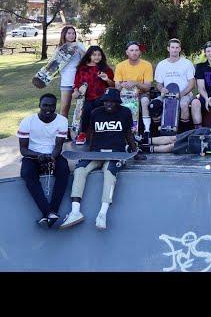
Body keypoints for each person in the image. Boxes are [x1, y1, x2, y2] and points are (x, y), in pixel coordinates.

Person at [59, 88, 144, 231]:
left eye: (111, 102)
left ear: (117, 102)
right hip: (96, 153)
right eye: (105, 101)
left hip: (116, 153)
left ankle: (102, 213)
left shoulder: (125, 113)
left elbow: (128, 134)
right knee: (79, 170)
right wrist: (89, 152)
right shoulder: (95, 113)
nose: (108, 104)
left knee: (110, 173)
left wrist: (135, 152)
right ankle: (75, 211)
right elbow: (92, 133)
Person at [18, 94, 70, 228]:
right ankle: (47, 212)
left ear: (55, 106)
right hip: (33, 155)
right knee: (27, 173)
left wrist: (52, 157)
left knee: (64, 171)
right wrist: (38, 156)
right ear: (39, 105)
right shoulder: (27, 121)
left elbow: (58, 146)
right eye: (45, 105)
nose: (48, 108)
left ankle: (52, 210)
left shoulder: (62, 121)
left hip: (53, 154)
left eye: (52, 105)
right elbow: (23, 150)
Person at [72, 45, 115, 145]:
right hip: (86, 98)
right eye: (94, 55)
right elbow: (76, 83)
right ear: (89, 56)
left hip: (103, 98)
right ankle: (82, 134)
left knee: (100, 109)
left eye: (99, 55)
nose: (97, 57)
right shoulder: (82, 68)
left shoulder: (106, 69)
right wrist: (76, 90)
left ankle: (103, 134)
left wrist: (106, 79)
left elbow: (113, 85)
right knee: (86, 109)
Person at [114, 41, 153, 137]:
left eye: (136, 50)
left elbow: (147, 87)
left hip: (141, 94)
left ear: (140, 52)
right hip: (125, 94)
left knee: (144, 101)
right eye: (131, 50)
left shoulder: (147, 65)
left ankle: (146, 130)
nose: (134, 52)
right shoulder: (120, 66)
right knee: (116, 101)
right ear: (127, 52)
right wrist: (124, 84)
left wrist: (135, 83)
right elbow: (117, 87)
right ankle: (120, 130)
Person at [154, 38, 196, 128]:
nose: (175, 50)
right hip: (167, 95)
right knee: (154, 105)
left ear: (180, 49)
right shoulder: (161, 64)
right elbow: (158, 84)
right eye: (172, 47)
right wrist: (162, 89)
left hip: (184, 94)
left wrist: (181, 94)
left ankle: (183, 132)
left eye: (177, 47)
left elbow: (192, 84)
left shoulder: (187, 63)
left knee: (184, 104)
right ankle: (160, 131)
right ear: (168, 49)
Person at [56, 25, 87, 126]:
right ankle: (62, 131)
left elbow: (86, 60)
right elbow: (55, 65)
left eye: (73, 33)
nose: (71, 35)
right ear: (64, 34)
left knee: (83, 107)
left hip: (80, 80)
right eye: (69, 33)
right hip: (66, 81)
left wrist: (77, 47)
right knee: (64, 107)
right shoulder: (59, 47)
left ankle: (81, 131)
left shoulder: (80, 45)